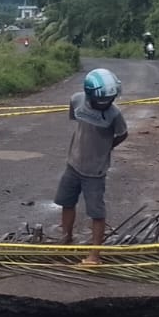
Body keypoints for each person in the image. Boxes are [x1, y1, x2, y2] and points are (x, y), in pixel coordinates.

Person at [55, 68, 128, 264]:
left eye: (109, 100)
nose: (105, 104)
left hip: (95, 171)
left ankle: (95, 255)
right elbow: (75, 117)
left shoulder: (114, 114)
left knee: (96, 212)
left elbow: (122, 134)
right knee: (66, 202)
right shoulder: (77, 100)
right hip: (73, 164)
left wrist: (106, 147)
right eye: (100, 101)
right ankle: (66, 239)